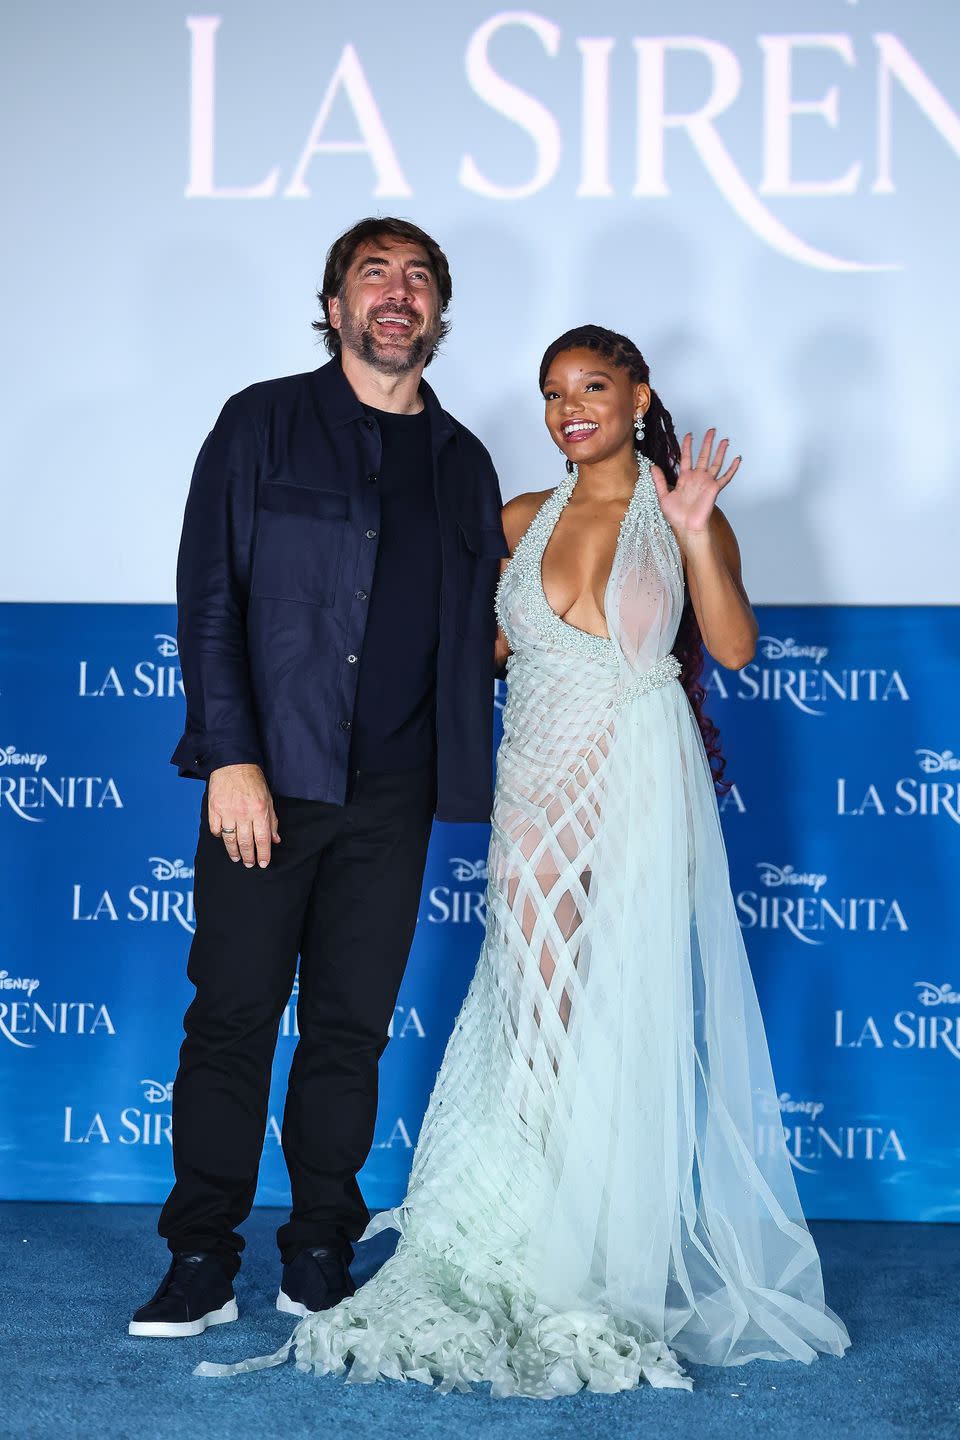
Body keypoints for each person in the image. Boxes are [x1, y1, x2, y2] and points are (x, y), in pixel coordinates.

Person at [198, 324, 851, 1395]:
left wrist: (693, 535)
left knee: (614, 1010)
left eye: (592, 387)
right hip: (535, 790)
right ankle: (524, 1222)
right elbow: (468, 651)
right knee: (533, 1008)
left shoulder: (683, 510)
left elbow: (732, 647)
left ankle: (593, 1244)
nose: (569, 408)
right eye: (552, 393)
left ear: (640, 397)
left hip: (640, 783)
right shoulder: (517, 517)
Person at [128, 218, 507, 1338]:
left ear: (438, 314)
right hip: (271, 780)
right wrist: (230, 756)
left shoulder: (464, 461)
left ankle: (321, 1247)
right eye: (373, 275)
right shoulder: (261, 424)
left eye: (419, 278)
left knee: (350, 1030)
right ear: (334, 303)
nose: (399, 294)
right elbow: (210, 601)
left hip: (395, 795)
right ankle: (200, 1254)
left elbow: (483, 625)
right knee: (234, 1019)